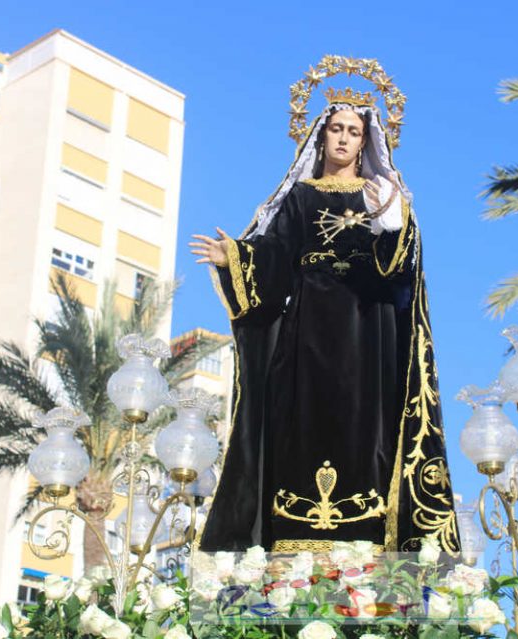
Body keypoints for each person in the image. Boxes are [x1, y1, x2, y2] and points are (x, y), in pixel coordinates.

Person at [191, 57, 458, 556]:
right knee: (300, 418)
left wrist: (392, 223)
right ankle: (292, 540)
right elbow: (275, 255)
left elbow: (402, 271)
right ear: (321, 135)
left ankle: (367, 539)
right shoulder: (301, 197)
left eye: (354, 132)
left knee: (366, 426)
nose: (343, 138)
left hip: (367, 327)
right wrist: (236, 257)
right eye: (336, 128)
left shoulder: (385, 196)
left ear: (365, 141)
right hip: (309, 327)